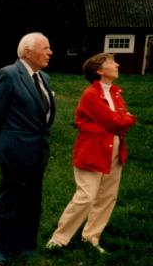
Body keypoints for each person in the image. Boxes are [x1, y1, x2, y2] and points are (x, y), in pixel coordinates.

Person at [46, 53, 136, 254]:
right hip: (92, 151)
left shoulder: (115, 93)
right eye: (112, 63)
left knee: (107, 196)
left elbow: (118, 119)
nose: (117, 65)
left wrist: (121, 120)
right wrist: (125, 119)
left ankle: (91, 238)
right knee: (86, 196)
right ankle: (58, 240)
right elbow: (115, 121)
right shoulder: (91, 95)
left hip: (115, 148)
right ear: (99, 71)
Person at [0, 32, 56, 266]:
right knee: (8, 204)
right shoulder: (9, 75)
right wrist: (0, 146)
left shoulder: (43, 77)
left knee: (32, 202)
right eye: (45, 48)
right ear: (27, 52)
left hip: (37, 152)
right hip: (15, 152)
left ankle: (26, 248)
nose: (50, 52)